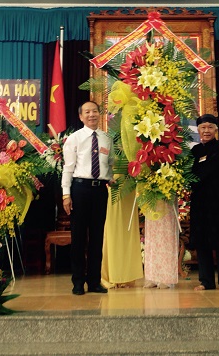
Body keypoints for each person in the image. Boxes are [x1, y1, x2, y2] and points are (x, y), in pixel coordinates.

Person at [61, 101, 114, 295]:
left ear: (99, 114)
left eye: (95, 111)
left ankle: (94, 282)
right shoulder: (74, 139)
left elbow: (109, 165)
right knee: (79, 237)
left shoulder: (106, 139)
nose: (92, 115)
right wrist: (66, 194)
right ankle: (77, 282)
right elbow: (68, 168)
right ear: (81, 116)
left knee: (97, 237)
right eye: (87, 112)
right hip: (80, 190)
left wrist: (111, 177)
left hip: (100, 191)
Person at [190, 114, 219, 291]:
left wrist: (198, 172)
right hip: (200, 203)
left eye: (210, 127)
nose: (206, 130)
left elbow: (207, 170)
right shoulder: (195, 151)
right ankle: (205, 282)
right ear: (199, 130)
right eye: (203, 127)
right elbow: (191, 172)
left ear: (216, 129)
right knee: (202, 243)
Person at [101, 188, 144, 289]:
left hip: (130, 188)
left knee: (128, 232)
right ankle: (112, 275)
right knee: (114, 230)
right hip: (114, 185)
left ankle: (127, 276)